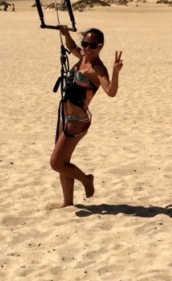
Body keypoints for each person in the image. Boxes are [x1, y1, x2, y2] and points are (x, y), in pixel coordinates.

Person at [49, 26, 123, 208]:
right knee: (63, 161)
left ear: (100, 46)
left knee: (56, 162)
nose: (88, 48)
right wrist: (66, 34)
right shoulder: (82, 56)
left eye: (93, 45)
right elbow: (72, 47)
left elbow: (111, 91)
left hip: (77, 120)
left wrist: (115, 72)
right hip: (64, 115)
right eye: (85, 44)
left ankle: (86, 180)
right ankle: (67, 202)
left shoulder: (98, 69)